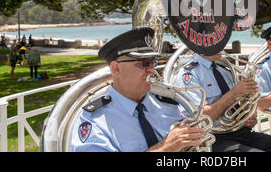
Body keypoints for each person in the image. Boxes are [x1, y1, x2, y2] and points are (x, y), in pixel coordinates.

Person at [71, 27, 206, 152]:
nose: (152, 70)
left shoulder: (169, 102)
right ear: (116, 69)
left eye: (153, 62)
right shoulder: (94, 120)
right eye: (143, 63)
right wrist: (166, 147)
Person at [174, 51, 271, 152]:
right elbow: (200, 118)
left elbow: (240, 105)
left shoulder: (225, 70)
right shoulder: (189, 74)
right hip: (213, 139)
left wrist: (248, 117)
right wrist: (233, 93)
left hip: (242, 132)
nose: (223, 46)